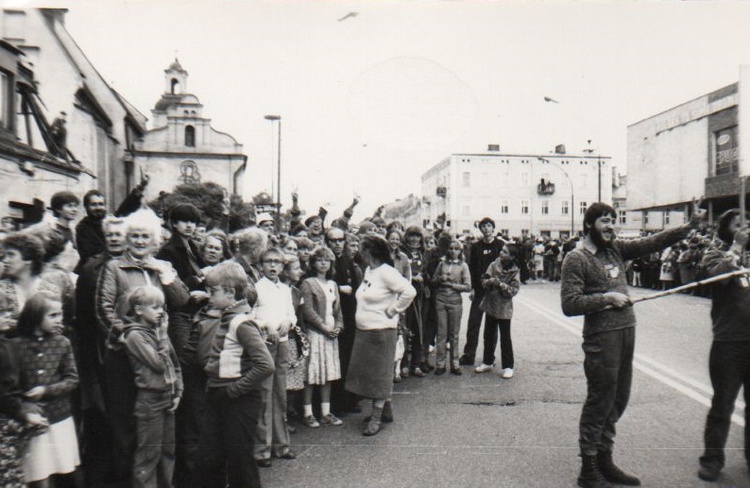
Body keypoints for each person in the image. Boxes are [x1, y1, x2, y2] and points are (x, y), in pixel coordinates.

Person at [560, 200, 705, 488]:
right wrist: (606, 298)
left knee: (619, 398)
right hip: (602, 337)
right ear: (590, 224)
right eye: (604, 221)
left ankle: (605, 459)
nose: (610, 226)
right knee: (600, 399)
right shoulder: (576, 258)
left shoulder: (615, 248)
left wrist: (688, 227)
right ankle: (588, 471)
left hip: (627, 330)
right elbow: (569, 304)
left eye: (613, 220)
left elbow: (652, 241)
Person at [96, 208, 190, 487]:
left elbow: (183, 300)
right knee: (127, 426)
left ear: (154, 240)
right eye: (134, 235)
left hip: (160, 352)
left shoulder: (161, 266)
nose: (139, 241)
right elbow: (103, 310)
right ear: (126, 238)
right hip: (125, 358)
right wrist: (130, 339)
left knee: (161, 429)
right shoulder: (113, 267)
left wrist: (167, 277)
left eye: (145, 236)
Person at [197, 261, 275, 488]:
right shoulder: (227, 316)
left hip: (238, 397)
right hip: (218, 394)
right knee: (210, 456)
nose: (208, 296)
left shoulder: (241, 322)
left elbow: (265, 365)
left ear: (230, 293)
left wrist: (234, 390)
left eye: (213, 292)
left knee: (240, 459)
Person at [696, 209, 750, 482]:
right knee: (723, 404)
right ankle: (712, 459)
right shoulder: (714, 253)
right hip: (729, 342)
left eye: (747, 223)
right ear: (725, 229)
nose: (745, 228)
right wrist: (737, 248)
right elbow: (719, 278)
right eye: (738, 225)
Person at [345, 235, 416, 436]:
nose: (357, 251)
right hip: (365, 331)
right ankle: (386, 409)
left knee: (380, 375)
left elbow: (409, 291)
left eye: (360, 248)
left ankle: (376, 418)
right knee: (370, 375)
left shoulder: (387, 272)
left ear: (369, 251)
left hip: (382, 332)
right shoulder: (370, 270)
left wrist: (393, 310)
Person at [119, 286, 183, 488]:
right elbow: (158, 363)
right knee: (149, 454)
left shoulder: (158, 331)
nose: (160, 312)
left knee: (167, 451)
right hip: (150, 401)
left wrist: (178, 391)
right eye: (154, 307)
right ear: (138, 309)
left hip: (168, 397)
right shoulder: (134, 336)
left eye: (162, 307)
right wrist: (163, 336)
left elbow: (174, 362)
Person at [15, 293, 80, 487]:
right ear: (35, 317)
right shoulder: (15, 345)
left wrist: (46, 390)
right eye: (52, 315)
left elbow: (72, 379)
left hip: (59, 417)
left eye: (60, 314)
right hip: (32, 419)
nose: (59, 320)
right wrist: (24, 403)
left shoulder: (62, 343)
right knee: (38, 473)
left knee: (63, 468)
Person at [250, 248, 297, 466]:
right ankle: (263, 449)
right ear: (261, 266)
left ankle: (282, 445)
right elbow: (249, 316)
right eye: (268, 262)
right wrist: (265, 325)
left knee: (280, 393)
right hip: (264, 344)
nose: (273, 266)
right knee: (264, 394)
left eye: (277, 262)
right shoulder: (256, 288)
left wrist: (289, 322)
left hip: (283, 342)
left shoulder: (285, 289)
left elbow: (291, 314)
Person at [299, 247, 344, 427]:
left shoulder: (332, 285)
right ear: (313, 263)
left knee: (328, 373)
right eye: (319, 260)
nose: (323, 263)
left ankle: (326, 412)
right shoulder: (308, 284)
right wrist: (324, 328)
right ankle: (308, 413)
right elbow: (308, 311)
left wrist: (338, 326)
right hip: (315, 333)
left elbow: (338, 311)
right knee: (312, 373)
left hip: (331, 335)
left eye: (327, 260)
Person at [324, 227, 362, 415]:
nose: (337, 244)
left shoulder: (349, 261)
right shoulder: (324, 261)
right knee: (334, 359)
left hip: (349, 314)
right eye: (333, 240)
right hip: (331, 316)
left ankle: (349, 400)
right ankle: (334, 404)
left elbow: (357, 287)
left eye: (340, 240)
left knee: (349, 359)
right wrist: (339, 288)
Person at [459, 217, 504, 366]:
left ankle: (489, 358)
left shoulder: (500, 245)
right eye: (483, 226)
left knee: (491, 327)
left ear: (493, 228)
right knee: (473, 323)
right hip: (479, 290)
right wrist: (472, 287)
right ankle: (469, 355)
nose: (486, 229)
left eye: (489, 226)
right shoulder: (476, 246)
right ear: (480, 229)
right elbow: (472, 267)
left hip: (494, 291)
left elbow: (505, 266)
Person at [475, 244, 520, 379]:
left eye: (505, 252)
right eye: (502, 250)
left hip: (504, 308)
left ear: (511, 256)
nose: (501, 253)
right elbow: (483, 279)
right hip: (490, 305)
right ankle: (487, 361)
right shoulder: (493, 264)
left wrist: (500, 284)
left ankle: (508, 366)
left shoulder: (515, 271)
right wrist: (489, 281)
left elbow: (514, 291)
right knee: (488, 335)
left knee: (505, 338)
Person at [430, 239, 471, 375]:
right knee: (441, 334)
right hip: (441, 300)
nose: (453, 251)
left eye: (456, 248)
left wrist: (453, 285)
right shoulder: (442, 264)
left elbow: (467, 286)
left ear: (460, 251)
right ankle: (440, 364)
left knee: (454, 334)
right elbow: (433, 281)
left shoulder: (463, 266)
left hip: (455, 302)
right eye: (451, 248)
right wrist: (440, 279)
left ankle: (455, 364)